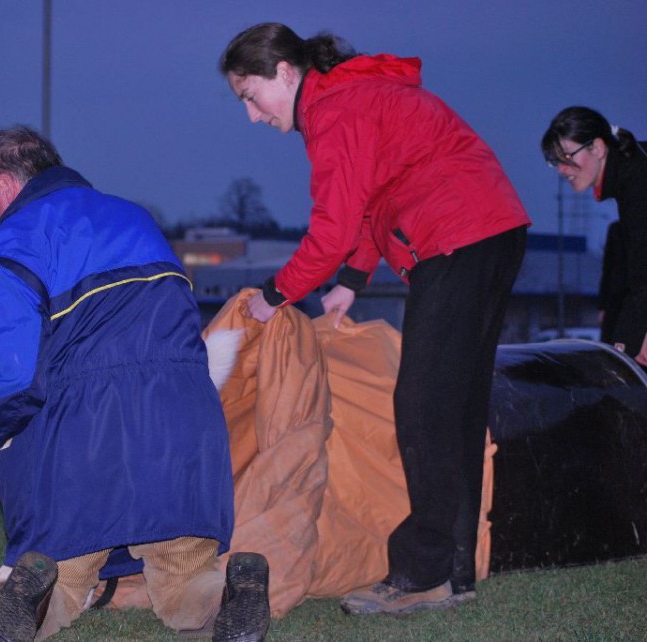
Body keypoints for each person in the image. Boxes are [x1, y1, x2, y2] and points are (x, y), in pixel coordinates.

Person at [219, 23, 530, 615]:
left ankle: (421, 573)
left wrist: (275, 293)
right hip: (492, 228)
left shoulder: (334, 110)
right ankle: (456, 570)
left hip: (457, 236)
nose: (252, 116)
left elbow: (332, 227)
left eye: (250, 97)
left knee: (422, 407)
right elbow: (370, 202)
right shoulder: (354, 97)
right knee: (456, 407)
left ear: (284, 73)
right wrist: (352, 282)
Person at [0, 126, 270, 642]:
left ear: (7, 187)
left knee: (63, 580)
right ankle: (230, 595)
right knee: (182, 586)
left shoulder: (8, 247)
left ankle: (33, 591)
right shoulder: (134, 218)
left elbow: (6, 382)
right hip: (184, 430)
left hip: (80, 441)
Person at [542, 107, 647, 366]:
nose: (561, 170)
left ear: (597, 148)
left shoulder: (637, 181)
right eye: (555, 161)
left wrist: (626, 341)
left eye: (566, 156)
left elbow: (643, 274)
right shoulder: (633, 169)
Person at [597, 220, 627, 345]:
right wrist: (602, 306)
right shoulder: (616, 229)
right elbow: (607, 268)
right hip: (616, 297)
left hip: (634, 295)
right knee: (611, 343)